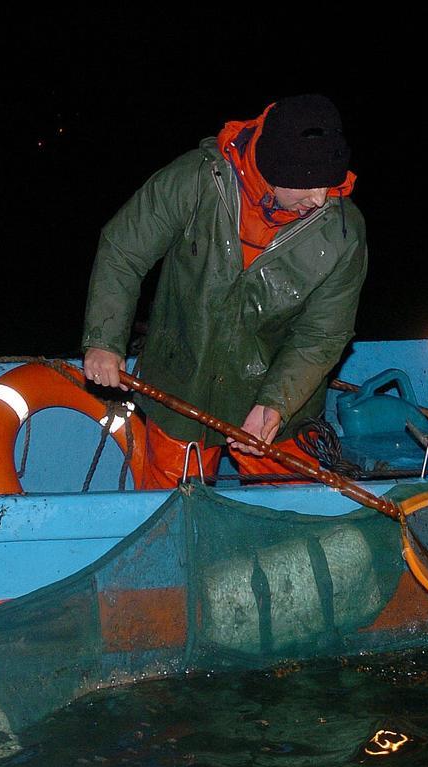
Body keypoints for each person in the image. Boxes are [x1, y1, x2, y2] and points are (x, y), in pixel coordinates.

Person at [80, 94, 366, 488]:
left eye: (329, 184)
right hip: (180, 387)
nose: (320, 199)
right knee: (171, 511)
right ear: (272, 168)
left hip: (279, 402)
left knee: (296, 516)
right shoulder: (196, 179)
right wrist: (104, 340)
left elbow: (322, 335)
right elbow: (123, 250)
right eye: (307, 184)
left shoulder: (343, 232)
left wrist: (274, 405)